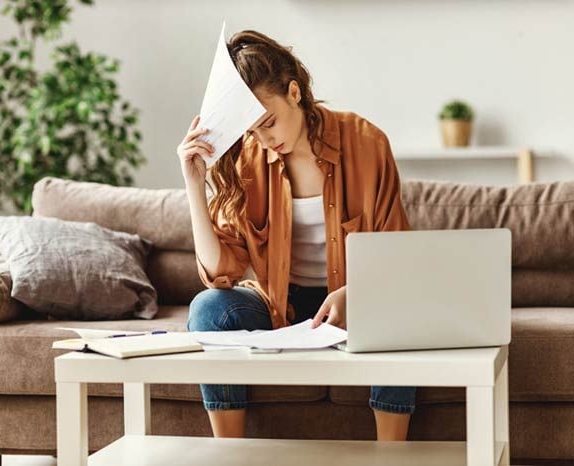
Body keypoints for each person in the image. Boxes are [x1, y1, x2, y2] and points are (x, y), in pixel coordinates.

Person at [176, 29, 416, 440]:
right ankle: (229, 453)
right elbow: (220, 272)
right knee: (208, 309)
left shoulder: (366, 141)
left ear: (293, 92)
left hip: (355, 302)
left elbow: (397, 255)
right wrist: (194, 185)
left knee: (402, 311)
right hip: (279, 307)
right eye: (252, 132)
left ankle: (391, 453)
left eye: (268, 123)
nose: (265, 139)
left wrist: (357, 295)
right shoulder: (249, 162)